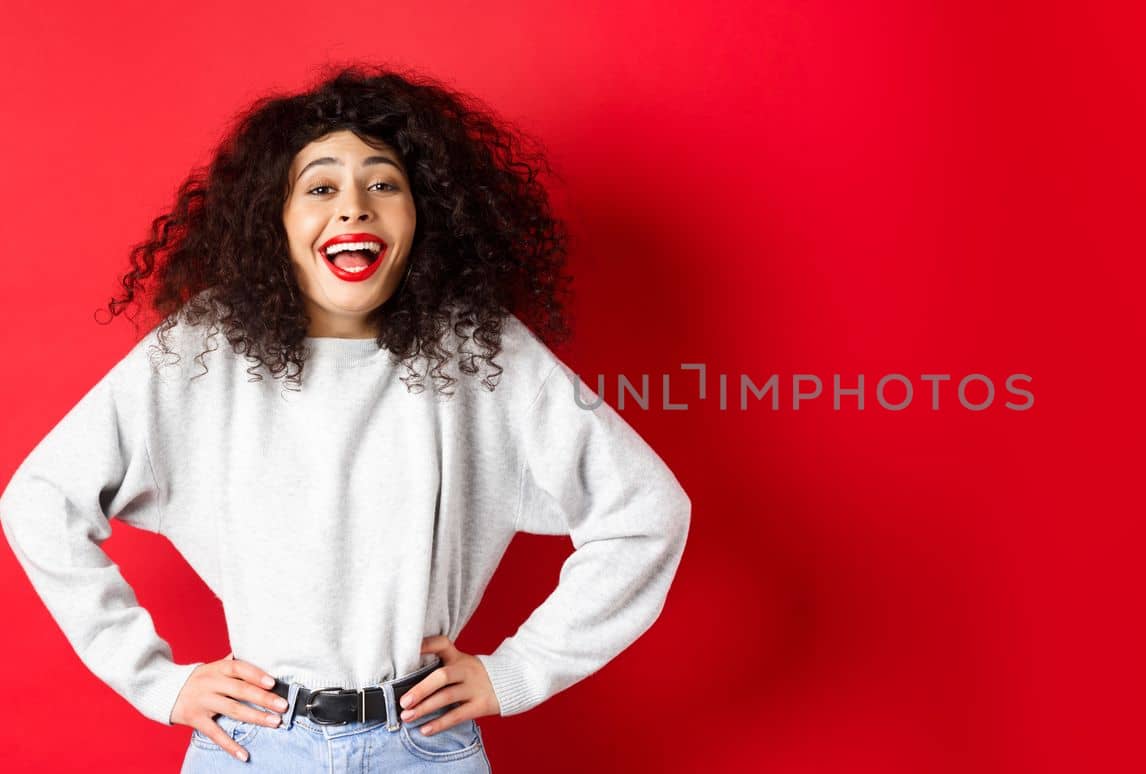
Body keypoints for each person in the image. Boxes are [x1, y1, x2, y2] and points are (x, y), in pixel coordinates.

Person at [0, 64, 691, 772]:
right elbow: (40, 501)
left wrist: (517, 670)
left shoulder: (482, 352)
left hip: (423, 745)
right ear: (276, 217)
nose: (355, 206)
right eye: (321, 186)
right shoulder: (202, 353)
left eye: (384, 183)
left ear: (426, 213)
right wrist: (157, 683)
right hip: (254, 744)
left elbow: (647, 512)